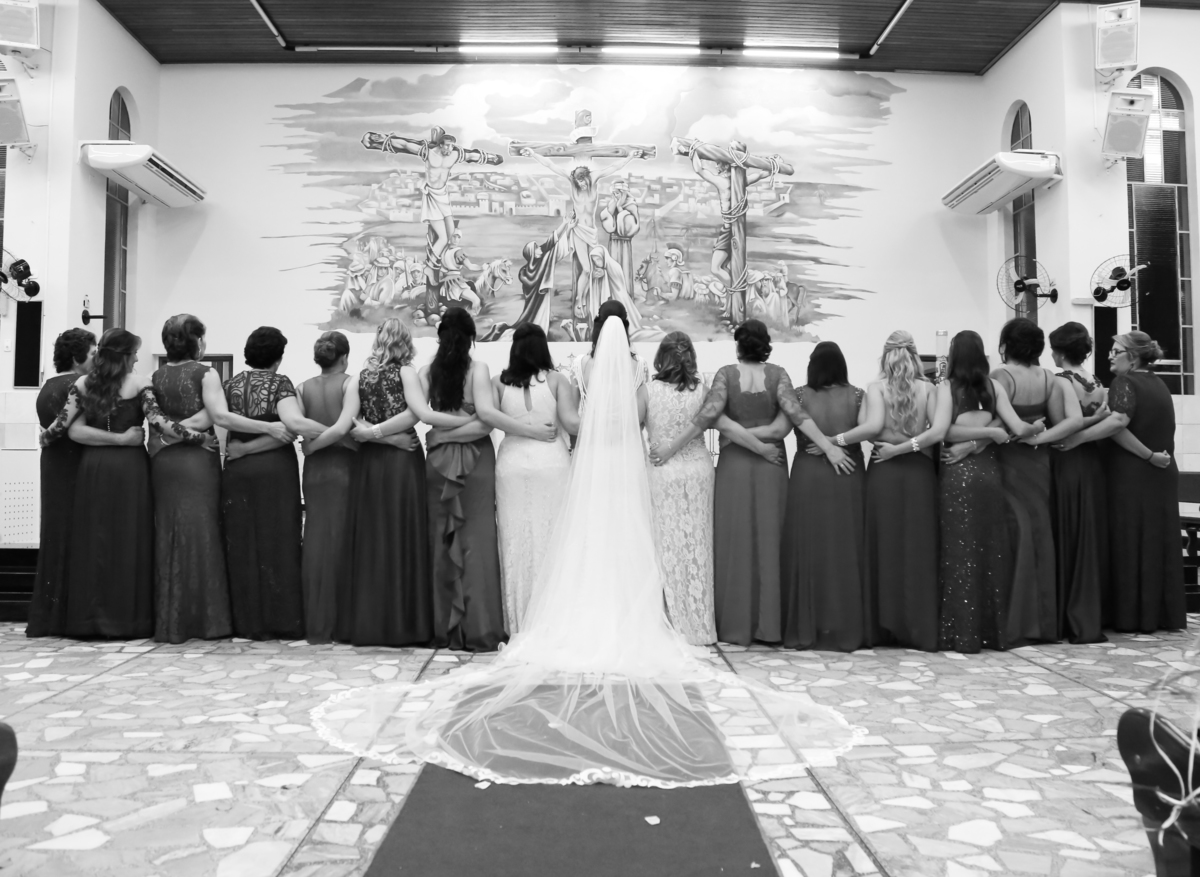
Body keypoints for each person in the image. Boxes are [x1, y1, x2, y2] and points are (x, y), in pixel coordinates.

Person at [312, 315, 859, 787]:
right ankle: (661, 615)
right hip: (630, 468)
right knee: (633, 541)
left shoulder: (536, 378)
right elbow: (625, 423)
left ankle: (527, 615)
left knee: (554, 541)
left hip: (534, 464)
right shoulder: (601, 381)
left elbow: (575, 423)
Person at [650, 320, 849, 646]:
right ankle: (769, 627)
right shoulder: (778, 375)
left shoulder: (726, 375)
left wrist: (675, 447)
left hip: (735, 467)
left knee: (734, 542)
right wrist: (828, 447)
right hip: (772, 466)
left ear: (738, 345)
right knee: (771, 542)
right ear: (766, 345)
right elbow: (796, 417)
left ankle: (734, 625)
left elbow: (707, 418)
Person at [39, 329, 211, 639]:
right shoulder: (140, 383)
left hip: (94, 466)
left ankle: (89, 619)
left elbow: (62, 425)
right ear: (125, 356)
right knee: (129, 538)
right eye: (134, 353)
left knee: (95, 539)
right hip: (130, 467)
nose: (136, 359)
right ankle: (128, 619)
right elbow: (158, 422)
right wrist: (197, 437)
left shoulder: (83, 384)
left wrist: (43, 437)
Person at [422, 307, 554, 652]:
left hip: (437, 460)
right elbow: (484, 421)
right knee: (478, 541)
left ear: (440, 336)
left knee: (442, 541)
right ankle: (479, 627)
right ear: (472, 338)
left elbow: (423, 417)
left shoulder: (426, 372)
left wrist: (442, 436)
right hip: (476, 461)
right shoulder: (478, 370)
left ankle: (444, 628)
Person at [338, 318, 473, 646]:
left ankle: (369, 621)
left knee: (373, 538)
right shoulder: (406, 372)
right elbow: (418, 415)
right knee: (402, 534)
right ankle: (404, 624)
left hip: (369, 463)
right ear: (405, 342)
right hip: (402, 462)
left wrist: (373, 433)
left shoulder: (358, 378)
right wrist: (470, 420)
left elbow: (352, 424)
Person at [1055, 331, 1185, 633]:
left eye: (1116, 351)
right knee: (1156, 542)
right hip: (1162, 474)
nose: (1110, 356)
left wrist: (1078, 438)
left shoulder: (1124, 383)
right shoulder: (1159, 384)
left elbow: (1117, 423)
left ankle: (1130, 615)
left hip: (1133, 473)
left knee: (1128, 540)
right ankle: (1158, 614)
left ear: (1133, 356)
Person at [937, 330, 1041, 653]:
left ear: (954, 355)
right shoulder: (994, 387)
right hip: (988, 472)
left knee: (958, 551)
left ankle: (960, 631)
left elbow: (944, 430)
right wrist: (1035, 427)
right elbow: (1018, 427)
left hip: (957, 473)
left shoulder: (946, 388)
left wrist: (973, 438)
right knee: (990, 550)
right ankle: (991, 631)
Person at [221, 327, 328, 641]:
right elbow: (292, 426)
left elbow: (224, 438)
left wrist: (246, 449)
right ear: (279, 358)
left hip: (238, 470)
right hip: (274, 470)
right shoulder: (279, 383)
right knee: (279, 539)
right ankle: (282, 619)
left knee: (241, 541)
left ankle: (245, 620)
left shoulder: (229, 385)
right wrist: (337, 431)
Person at [989, 319, 1082, 646]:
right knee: (1040, 533)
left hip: (1008, 460)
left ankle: (1013, 621)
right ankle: (1042, 622)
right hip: (1039, 462)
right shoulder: (1048, 378)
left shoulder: (1001, 376)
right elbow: (1068, 421)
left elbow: (994, 422)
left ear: (1007, 344)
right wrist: (1040, 439)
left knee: (1012, 534)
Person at [861, 331, 950, 652]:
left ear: (885, 355)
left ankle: (882, 627)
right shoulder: (930, 389)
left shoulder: (875, 389)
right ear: (914, 355)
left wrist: (893, 448)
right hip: (919, 473)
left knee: (882, 547)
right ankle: (918, 627)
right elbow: (937, 433)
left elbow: (871, 430)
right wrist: (910, 446)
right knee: (918, 548)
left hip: (883, 471)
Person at [780, 341, 869, 652]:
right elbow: (870, 430)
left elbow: (781, 429)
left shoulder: (799, 396)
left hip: (808, 477)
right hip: (848, 474)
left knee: (809, 548)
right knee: (848, 549)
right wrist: (837, 443)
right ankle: (847, 626)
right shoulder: (858, 396)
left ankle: (809, 625)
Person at [149, 315, 233, 644]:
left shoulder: (156, 375)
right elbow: (213, 414)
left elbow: (157, 421)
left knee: (168, 532)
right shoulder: (206, 373)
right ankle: (206, 619)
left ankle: (171, 619)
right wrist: (184, 434)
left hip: (165, 460)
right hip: (197, 459)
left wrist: (169, 435)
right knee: (202, 531)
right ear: (195, 341)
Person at [491, 324, 578, 635]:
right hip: (552, 464)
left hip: (512, 465)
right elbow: (571, 423)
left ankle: (517, 621)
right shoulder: (557, 380)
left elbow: (489, 419)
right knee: (552, 538)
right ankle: (553, 619)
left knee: (514, 540)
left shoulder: (497, 383)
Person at [28, 329, 113, 638]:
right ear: (77, 358)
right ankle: (77, 613)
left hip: (54, 464)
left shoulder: (47, 386)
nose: (96, 359)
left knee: (57, 532)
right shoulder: (78, 385)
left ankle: (53, 613)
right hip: (77, 464)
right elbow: (81, 431)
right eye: (92, 354)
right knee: (81, 535)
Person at [643, 332, 717, 645]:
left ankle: (669, 623)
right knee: (698, 543)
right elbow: (713, 423)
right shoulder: (704, 390)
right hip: (698, 470)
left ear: (661, 357)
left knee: (665, 545)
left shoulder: (647, 391)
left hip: (662, 471)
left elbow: (630, 428)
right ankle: (699, 623)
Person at [1047, 323, 1111, 642]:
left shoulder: (1060, 381)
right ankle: (1091, 609)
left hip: (1067, 458)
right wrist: (1096, 419)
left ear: (1060, 352)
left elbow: (1063, 425)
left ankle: (1067, 612)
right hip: (1093, 462)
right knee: (1088, 532)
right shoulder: (1097, 381)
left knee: (1068, 531)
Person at [296, 331, 359, 644]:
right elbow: (344, 427)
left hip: (315, 471)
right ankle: (342, 619)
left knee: (316, 537)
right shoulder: (350, 383)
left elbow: (300, 427)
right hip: (344, 466)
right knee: (344, 538)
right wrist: (325, 443)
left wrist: (311, 447)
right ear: (344, 357)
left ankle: (315, 618)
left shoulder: (301, 388)